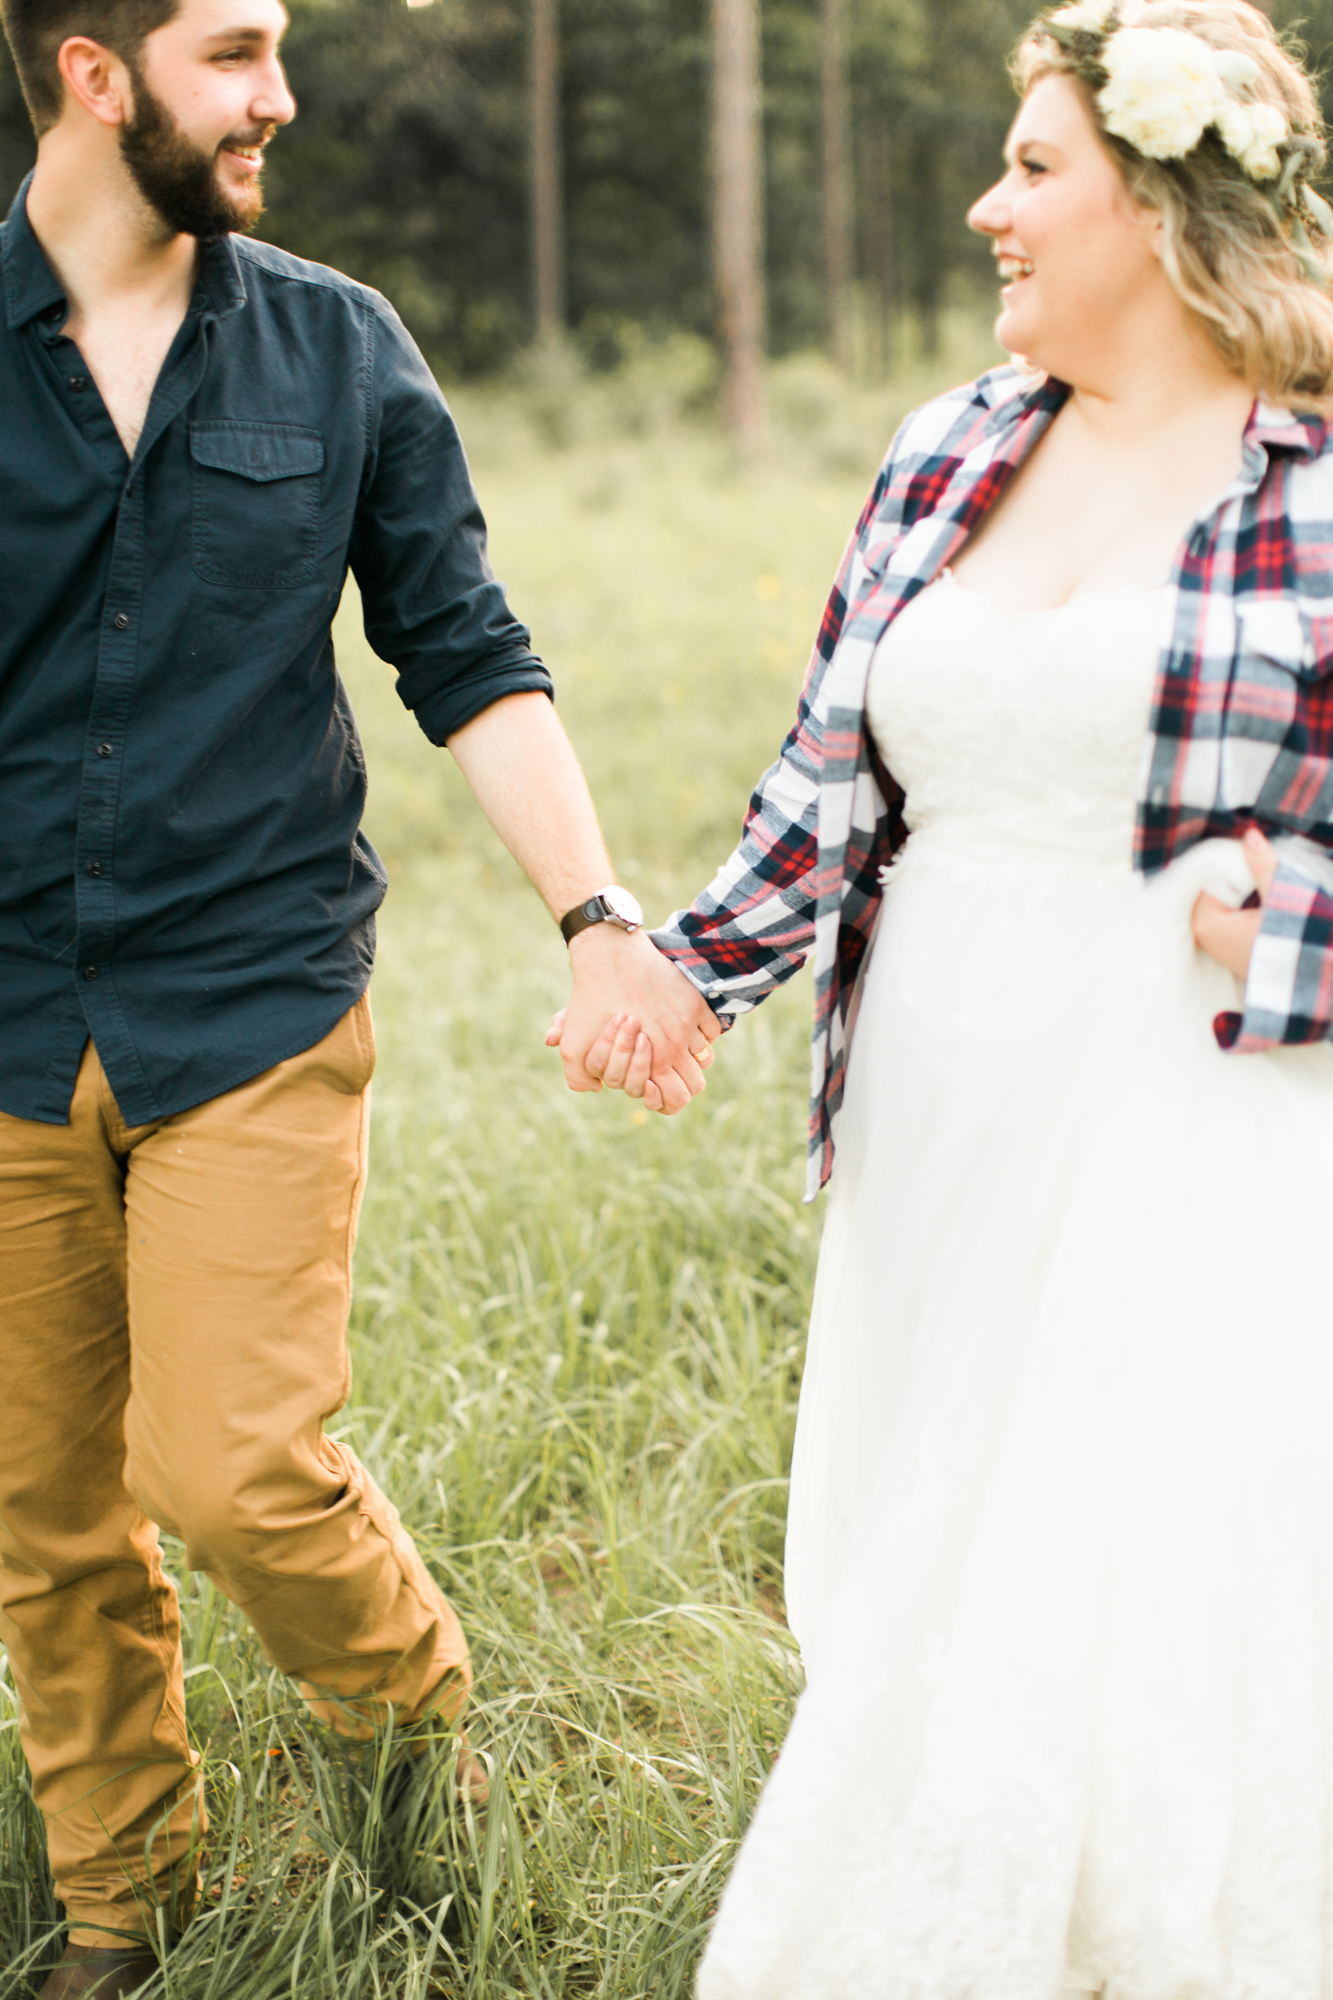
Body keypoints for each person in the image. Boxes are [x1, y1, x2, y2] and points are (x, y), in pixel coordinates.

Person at [579, 2, 1333, 1992]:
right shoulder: (946, 451)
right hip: (933, 1095)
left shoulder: (1319, 485)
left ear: (1161, 208)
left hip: (1181, 1108)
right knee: (917, 1533)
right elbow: (833, 770)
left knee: (1094, 1576)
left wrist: (1304, 917)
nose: (989, 207)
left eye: (1032, 168)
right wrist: (682, 972)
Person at [0, 0, 721, 1990]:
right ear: (93, 72)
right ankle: (120, 1908)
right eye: (233, 52)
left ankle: (411, 1752)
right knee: (49, 1519)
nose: (279, 95)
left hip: (250, 998)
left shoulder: (337, 343)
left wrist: (596, 914)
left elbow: (464, 650)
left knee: (228, 1461)